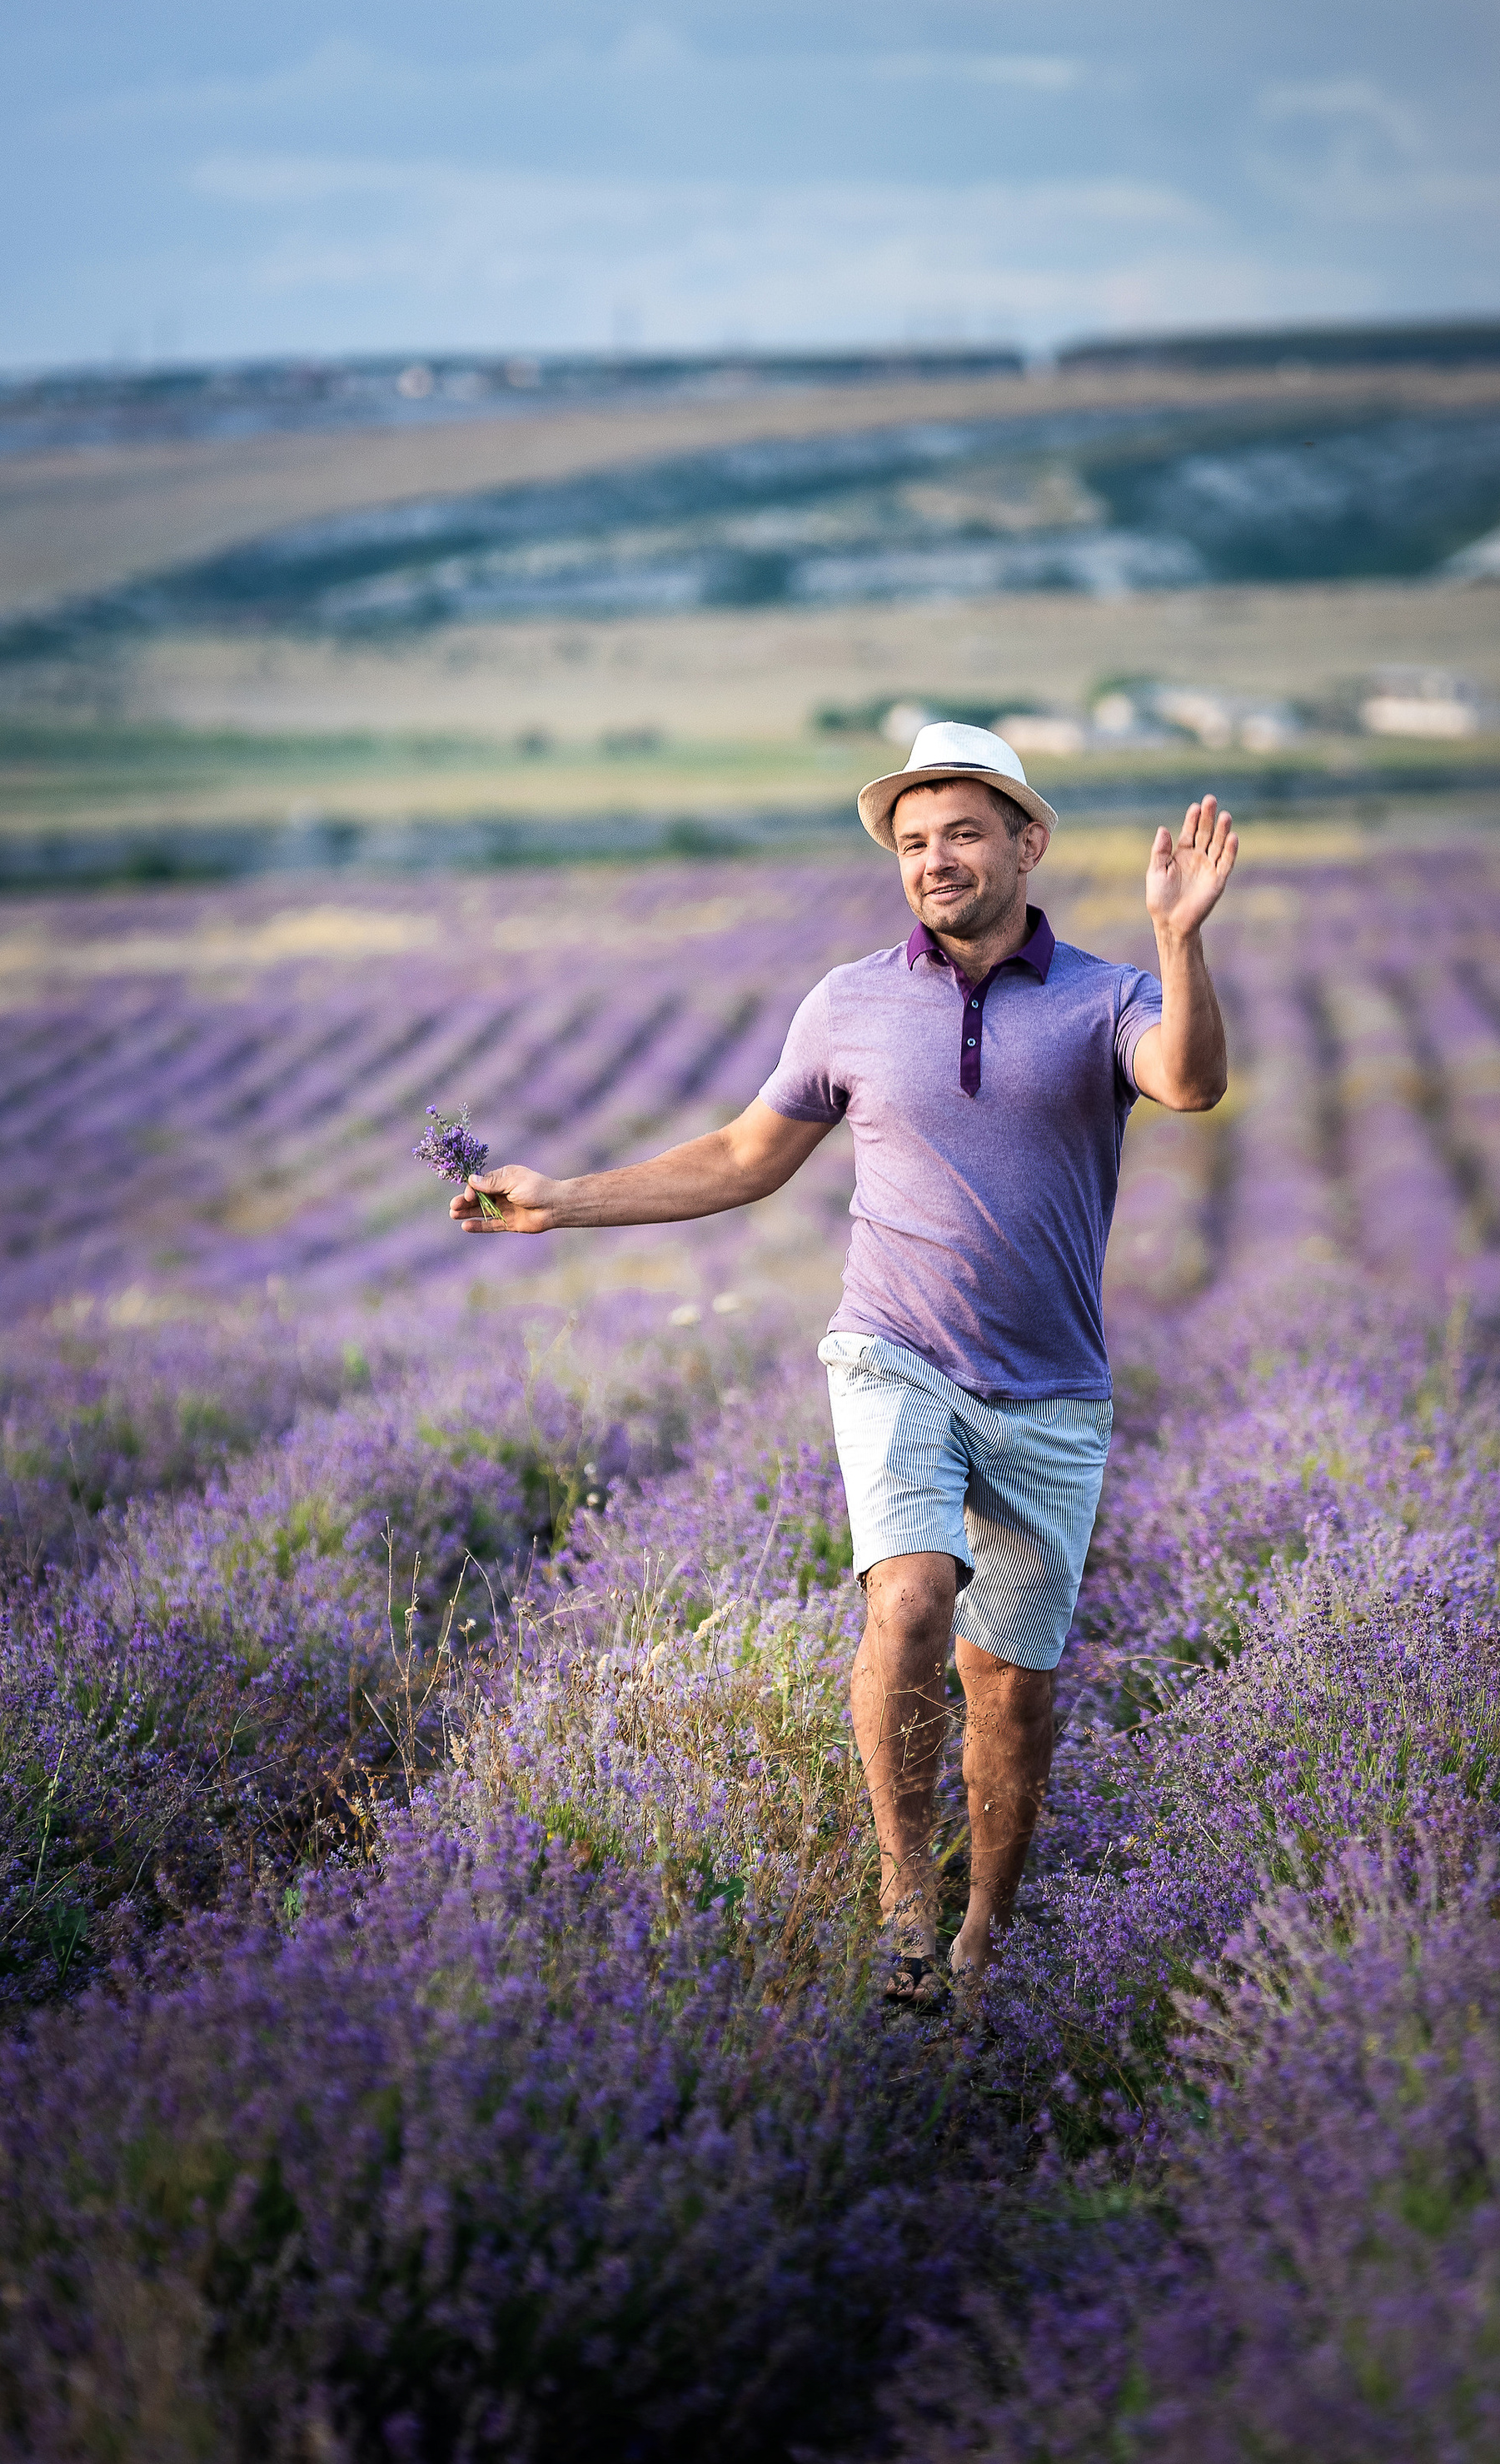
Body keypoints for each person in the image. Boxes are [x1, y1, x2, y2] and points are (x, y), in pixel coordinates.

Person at [446, 721, 1236, 2006]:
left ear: (1027, 843)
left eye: (963, 833)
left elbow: (1193, 1083)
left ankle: (984, 1935)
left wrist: (1181, 940)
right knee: (911, 1595)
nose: (935, 861)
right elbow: (744, 1157)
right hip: (893, 1352)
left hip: (1051, 1394)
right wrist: (559, 1199)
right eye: (913, 842)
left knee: (1011, 1692)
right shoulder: (849, 1000)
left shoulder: (1107, 996)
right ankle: (902, 1901)